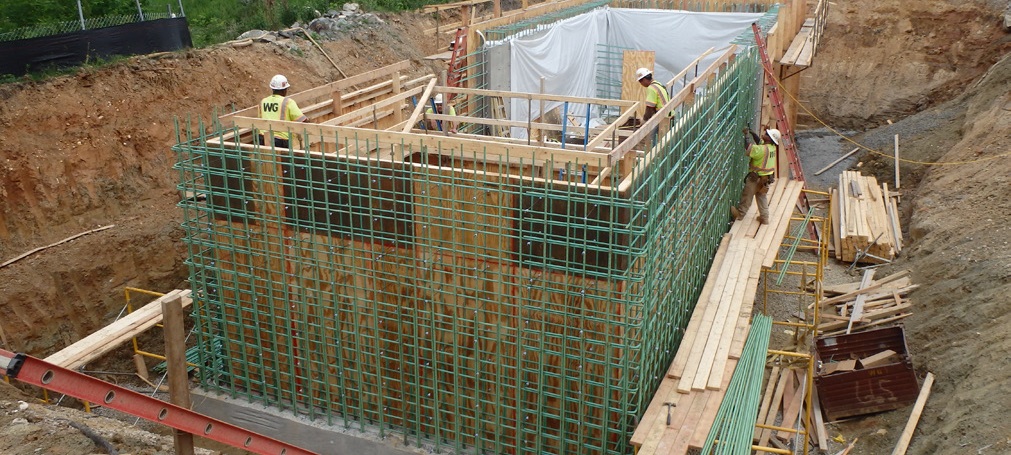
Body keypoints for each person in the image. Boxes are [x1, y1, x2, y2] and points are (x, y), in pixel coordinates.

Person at [731, 127, 780, 225]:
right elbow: (760, 142)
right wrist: (753, 133)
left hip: (755, 179)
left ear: (769, 138)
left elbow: (748, 148)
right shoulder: (771, 147)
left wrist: (746, 135)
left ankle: (739, 215)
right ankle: (764, 218)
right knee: (762, 197)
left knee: (747, 196)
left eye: (766, 134)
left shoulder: (761, 150)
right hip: (765, 180)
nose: (764, 133)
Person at [259, 74, 308, 148]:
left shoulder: (263, 101)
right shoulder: (287, 102)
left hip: (262, 138)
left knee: (266, 159)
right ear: (285, 90)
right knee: (283, 159)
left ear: (272, 89)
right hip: (280, 140)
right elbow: (302, 120)